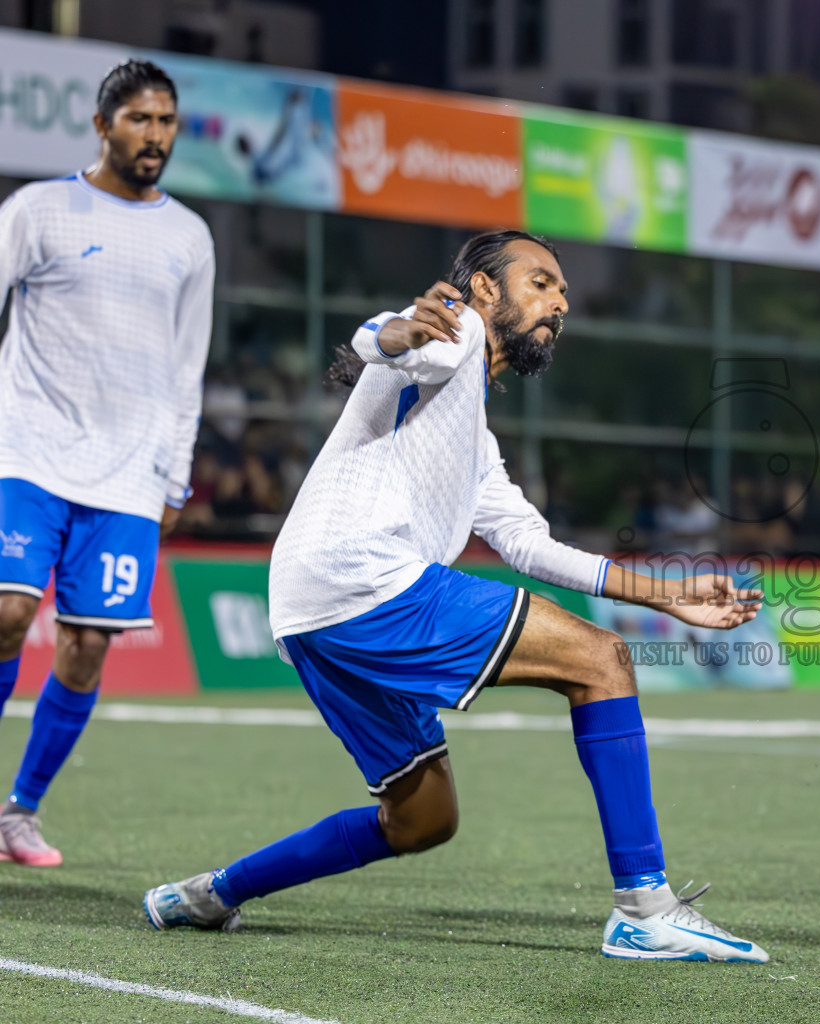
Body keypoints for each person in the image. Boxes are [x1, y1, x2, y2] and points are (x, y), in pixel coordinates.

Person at [144, 230, 769, 963]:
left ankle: (210, 894)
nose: (559, 302)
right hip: (366, 582)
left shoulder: (471, 431)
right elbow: (387, 338)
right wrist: (398, 327)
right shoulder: (457, 334)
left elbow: (530, 547)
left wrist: (668, 594)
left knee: (421, 818)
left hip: (311, 609)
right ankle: (645, 908)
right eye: (540, 283)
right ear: (482, 289)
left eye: (563, 291)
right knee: (601, 659)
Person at [0, 61, 213, 866]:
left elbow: (186, 364)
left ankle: (19, 811)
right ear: (102, 125)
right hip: (27, 451)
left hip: (128, 476)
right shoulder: (40, 209)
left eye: (165, 121)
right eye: (138, 119)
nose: (154, 134)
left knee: (88, 643)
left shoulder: (190, 236)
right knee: (8, 614)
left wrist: (174, 474)